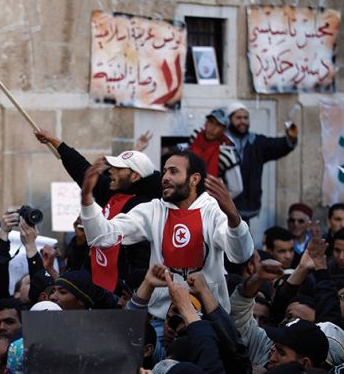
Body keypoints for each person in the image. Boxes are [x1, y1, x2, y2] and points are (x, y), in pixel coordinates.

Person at [81, 149, 253, 321]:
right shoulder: (154, 210)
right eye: (164, 172)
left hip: (209, 319)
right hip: (162, 321)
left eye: (173, 171)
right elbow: (103, 237)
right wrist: (87, 201)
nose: (165, 178)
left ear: (194, 179)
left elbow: (240, 254)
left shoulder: (214, 211)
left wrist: (233, 217)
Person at [35, 129, 161, 290]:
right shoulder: (113, 193)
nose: (110, 171)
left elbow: (139, 261)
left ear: (135, 177)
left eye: (118, 168)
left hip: (122, 291)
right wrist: (53, 140)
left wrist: (130, 293)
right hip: (98, 283)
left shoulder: (145, 209)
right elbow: (82, 169)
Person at [226, 101, 298, 223]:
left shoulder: (256, 142)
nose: (242, 121)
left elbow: (276, 146)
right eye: (238, 118)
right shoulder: (221, 141)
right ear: (229, 119)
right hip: (224, 204)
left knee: (243, 239)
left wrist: (290, 138)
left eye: (245, 118)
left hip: (246, 206)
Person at [189, 107, 243, 199]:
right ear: (205, 123)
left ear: (224, 130)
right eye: (210, 122)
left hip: (206, 200)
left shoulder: (226, 153)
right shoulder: (195, 137)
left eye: (218, 125)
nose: (212, 128)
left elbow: (236, 189)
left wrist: (216, 202)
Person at [286, 203, 313, 268]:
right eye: (292, 220)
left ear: (308, 224)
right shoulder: (282, 242)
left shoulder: (314, 243)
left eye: (300, 221)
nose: (295, 224)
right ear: (287, 222)